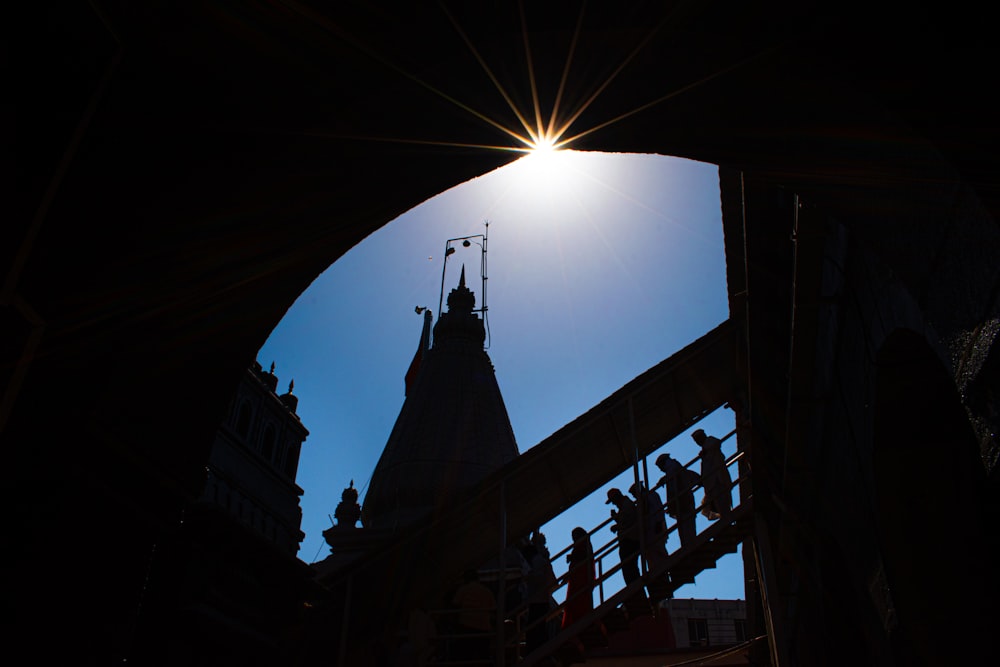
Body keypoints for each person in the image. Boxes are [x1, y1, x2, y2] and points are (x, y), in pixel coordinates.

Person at [655, 451, 701, 548]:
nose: (660, 470)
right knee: (685, 527)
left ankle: (690, 546)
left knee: (687, 527)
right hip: (681, 503)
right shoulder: (674, 468)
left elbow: (675, 479)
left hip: (683, 502)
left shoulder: (672, 467)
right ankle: (689, 545)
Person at [523, 530, 557, 655]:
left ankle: (535, 649)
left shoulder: (537, 560)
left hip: (538, 598)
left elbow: (540, 577)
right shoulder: (542, 559)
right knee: (538, 625)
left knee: (535, 625)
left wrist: (529, 577)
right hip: (541, 597)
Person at [450, 569, 496, 662]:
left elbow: (455, 604)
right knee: (483, 656)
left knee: (464, 655)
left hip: (466, 625)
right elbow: (493, 608)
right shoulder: (486, 591)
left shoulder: (464, 589)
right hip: (483, 626)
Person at [605, 487, 643, 592]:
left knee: (629, 567)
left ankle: (634, 588)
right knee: (629, 567)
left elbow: (629, 521)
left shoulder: (627, 505)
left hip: (630, 540)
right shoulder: (625, 506)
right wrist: (616, 519)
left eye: (613, 501)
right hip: (629, 539)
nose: (613, 504)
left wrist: (617, 526)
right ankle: (634, 587)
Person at [692, 429, 733, 520]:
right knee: (718, 505)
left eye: (698, 439)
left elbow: (716, 443)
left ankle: (727, 519)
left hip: (719, 479)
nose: (697, 442)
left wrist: (705, 450)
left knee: (724, 502)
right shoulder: (704, 453)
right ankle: (725, 520)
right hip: (711, 484)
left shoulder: (711, 442)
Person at [561, 527, 595, 630]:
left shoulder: (585, 545)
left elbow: (584, 557)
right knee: (575, 602)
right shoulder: (581, 545)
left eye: (575, 536)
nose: (573, 539)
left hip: (581, 578)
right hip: (576, 578)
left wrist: (572, 557)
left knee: (579, 602)